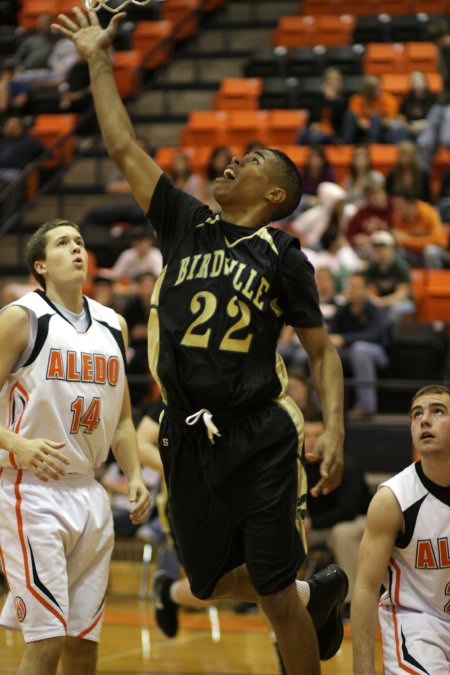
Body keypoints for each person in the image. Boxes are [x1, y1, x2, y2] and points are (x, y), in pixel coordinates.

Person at [54, 9, 348, 675]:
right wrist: (100, 57)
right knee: (212, 584)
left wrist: (335, 428)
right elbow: (124, 146)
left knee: (272, 594)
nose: (234, 157)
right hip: (187, 433)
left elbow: (322, 350)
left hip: (260, 429)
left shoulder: (282, 251)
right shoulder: (186, 223)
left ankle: (296, 601)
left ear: (274, 192)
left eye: (254, 160)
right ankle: (315, 596)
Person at [0, 218, 151, 675]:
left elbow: (122, 419)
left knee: (83, 647)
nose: (77, 249)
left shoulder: (114, 324)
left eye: (81, 242)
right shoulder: (21, 317)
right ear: (40, 265)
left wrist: (137, 476)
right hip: (32, 491)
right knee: (45, 642)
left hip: (91, 494)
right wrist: (15, 444)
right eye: (63, 243)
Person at [352, 384, 450, 675]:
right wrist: (363, 667)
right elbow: (366, 587)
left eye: (438, 411)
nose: (424, 420)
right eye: (416, 414)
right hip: (416, 622)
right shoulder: (393, 499)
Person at [303, 415, 371, 619]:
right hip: (316, 527)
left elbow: (348, 510)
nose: (312, 440)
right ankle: (271, 593)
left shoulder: (344, 464)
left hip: (359, 522)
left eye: (317, 435)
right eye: (307, 435)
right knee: (280, 533)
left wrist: (312, 522)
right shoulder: (296, 467)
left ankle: (350, 602)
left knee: (342, 533)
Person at [329, 272, 389, 419]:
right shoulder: (343, 309)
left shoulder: (375, 310)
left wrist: (344, 339)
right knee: (326, 352)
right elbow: (332, 331)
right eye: (350, 286)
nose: (352, 290)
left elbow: (373, 335)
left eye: (356, 286)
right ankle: (327, 407)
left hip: (376, 353)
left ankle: (366, 406)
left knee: (360, 348)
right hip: (348, 351)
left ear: (367, 289)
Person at [417, 18, 450, 169]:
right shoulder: (441, 53)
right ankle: (422, 179)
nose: (439, 43)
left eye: (441, 39)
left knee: (448, 139)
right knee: (424, 142)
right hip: (443, 101)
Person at [365, 230, 415, 329]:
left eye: (383, 248)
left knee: (395, 310)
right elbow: (368, 289)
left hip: (404, 302)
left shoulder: (401, 266)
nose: (380, 252)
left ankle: (388, 340)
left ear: (391, 249)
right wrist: (373, 300)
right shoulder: (372, 266)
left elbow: (402, 294)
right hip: (382, 301)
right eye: (377, 249)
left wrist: (381, 302)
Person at [391, 188, 447, 268]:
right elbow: (399, 242)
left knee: (430, 252)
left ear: (411, 202)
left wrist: (407, 240)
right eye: (395, 203)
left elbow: (437, 240)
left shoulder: (429, 212)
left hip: (434, 253)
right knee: (398, 253)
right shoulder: (398, 217)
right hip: (413, 254)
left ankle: (435, 279)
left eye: (399, 203)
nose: (396, 206)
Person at [342, 75, 407, 145]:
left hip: (381, 130)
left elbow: (390, 120)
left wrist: (373, 123)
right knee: (349, 114)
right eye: (371, 88)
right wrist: (362, 122)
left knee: (375, 117)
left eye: (376, 87)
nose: (375, 91)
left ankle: (373, 144)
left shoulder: (388, 99)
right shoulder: (357, 99)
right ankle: (346, 143)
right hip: (360, 129)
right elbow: (354, 115)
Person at [296, 67, 347, 146]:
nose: (331, 82)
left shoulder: (343, 100)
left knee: (314, 136)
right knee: (302, 132)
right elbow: (311, 119)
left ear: (340, 83)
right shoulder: (318, 100)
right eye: (329, 79)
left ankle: (316, 157)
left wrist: (332, 100)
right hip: (318, 131)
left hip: (334, 133)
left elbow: (339, 119)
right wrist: (313, 125)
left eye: (335, 79)